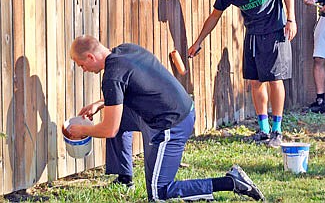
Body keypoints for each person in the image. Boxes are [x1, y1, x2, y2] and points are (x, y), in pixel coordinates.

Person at [67, 35, 265, 201]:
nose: (83, 70)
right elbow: (129, 86)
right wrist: (100, 103)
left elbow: (110, 129)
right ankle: (124, 177)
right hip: (175, 108)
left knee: (159, 193)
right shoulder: (125, 50)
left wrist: (83, 130)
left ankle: (231, 182)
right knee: (117, 116)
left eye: (81, 64)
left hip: (172, 123)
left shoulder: (112, 75)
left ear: (91, 56)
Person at [188, 0, 296, 147]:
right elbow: (215, 16)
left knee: (275, 80)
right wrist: (198, 41)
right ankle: (264, 130)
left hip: (275, 31)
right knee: (255, 82)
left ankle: (277, 131)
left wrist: (291, 19)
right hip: (252, 33)